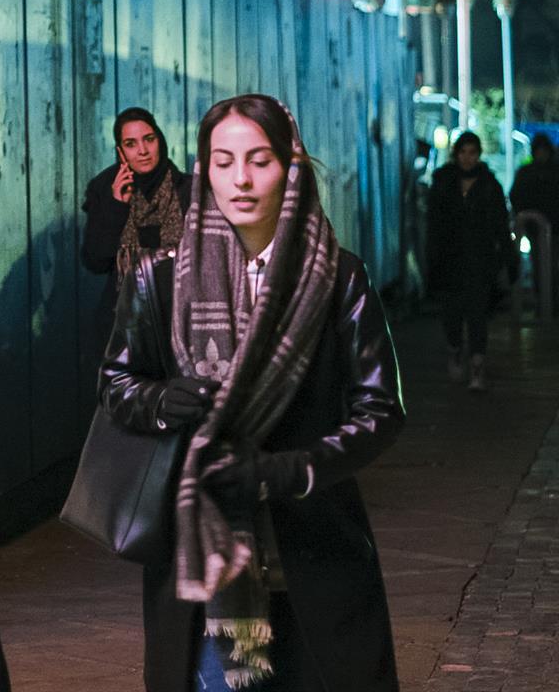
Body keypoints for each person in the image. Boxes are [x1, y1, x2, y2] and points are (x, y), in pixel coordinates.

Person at [100, 94, 404, 692]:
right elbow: (116, 383)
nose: (239, 179)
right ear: (203, 167)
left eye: (259, 160)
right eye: (222, 161)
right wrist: (162, 402)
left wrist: (286, 470)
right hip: (201, 561)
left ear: (291, 167)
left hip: (313, 545)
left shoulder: (338, 276)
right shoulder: (159, 277)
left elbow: (380, 410)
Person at [81, 107, 191, 354]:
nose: (143, 151)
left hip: (181, 320)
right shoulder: (104, 189)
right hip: (123, 325)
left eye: (149, 140)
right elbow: (95, 262)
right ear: (120, 151)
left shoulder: (188, 190)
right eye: (131, 144)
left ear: (160, 141)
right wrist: (116, 206)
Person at [428, 131, 515, 392]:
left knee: (477, 316)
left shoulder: (490, 185)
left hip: (480, 260)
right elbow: (433, 224)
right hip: (450, 260)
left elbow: (501, 224)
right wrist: (432, 259)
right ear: (456, 154)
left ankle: (477, 366)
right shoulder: (443, 182)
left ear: (478, 155)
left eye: (472, 153)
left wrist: (507, 259)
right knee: (452, 315)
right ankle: (455, 349)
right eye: (463, 152)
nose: (467, 158)